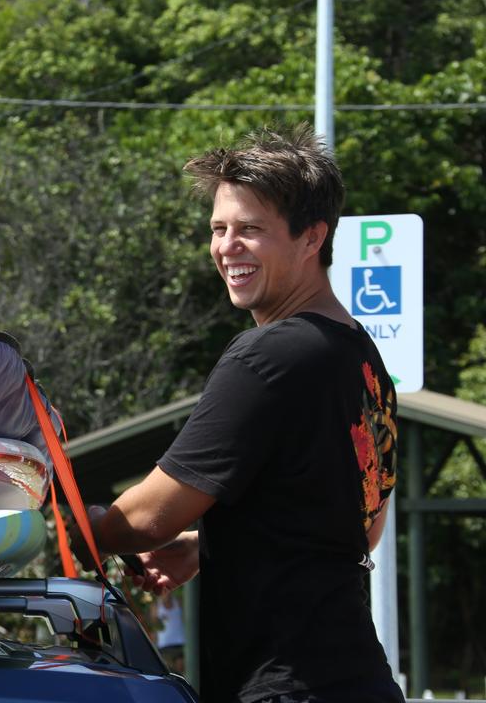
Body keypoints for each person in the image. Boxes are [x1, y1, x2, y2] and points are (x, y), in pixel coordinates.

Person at [87, 124, 401, 702]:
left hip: (287, 687)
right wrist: (205, 545)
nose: (227, 247)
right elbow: (362, 526)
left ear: (312, 238)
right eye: (219, 228)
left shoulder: (271, 354)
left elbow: (149, 517)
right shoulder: (362, 358)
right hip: (357, 680)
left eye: (250, 230)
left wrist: (82, 528)